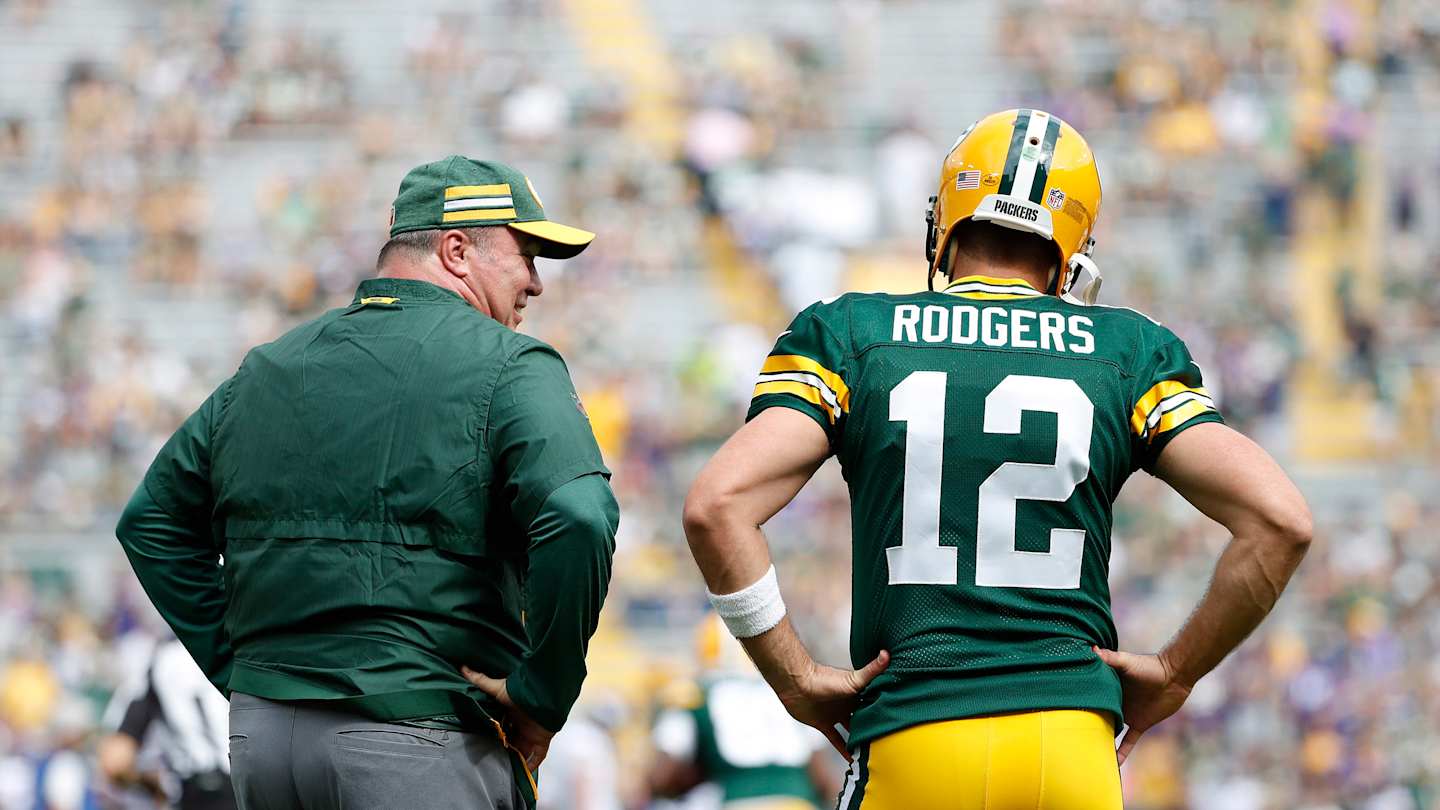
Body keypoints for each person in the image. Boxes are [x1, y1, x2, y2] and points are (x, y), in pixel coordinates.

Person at [682, 109, 1313, 809]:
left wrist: (793, 678)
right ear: (1072, 245)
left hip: (916, 733)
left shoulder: (853, 333)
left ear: (947, 221)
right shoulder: (1127, 351)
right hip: (1071, 750)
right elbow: (1280, 522)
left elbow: (717, 506)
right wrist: (1175, 672)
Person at [115, 156, 620, 810]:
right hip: (419, 733)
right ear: (457, 250)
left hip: (264, 744)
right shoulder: (512, 363)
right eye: (526, 255)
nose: (536, 282)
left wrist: (243, 668)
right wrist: (541, 695)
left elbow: (151, 522)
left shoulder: (267, 367)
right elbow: (580, 516)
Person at [648, 615, 838, 810]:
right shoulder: (791, 689)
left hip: (737, 801)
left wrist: (695, 777)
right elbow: (824, 779)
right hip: (798, 803)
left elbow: (662, 778)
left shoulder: (695, 695)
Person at [97, 638, 234, 810]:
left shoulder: (157, 662)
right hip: (254, 783)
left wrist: (159, 787)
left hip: (196, 792)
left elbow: (116, 761)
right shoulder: (238, 647)